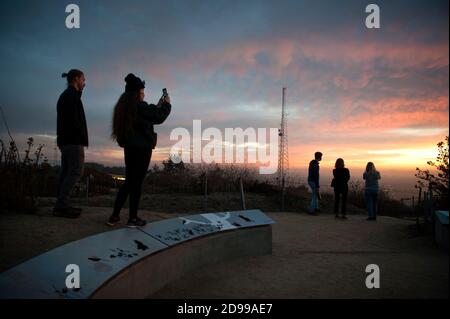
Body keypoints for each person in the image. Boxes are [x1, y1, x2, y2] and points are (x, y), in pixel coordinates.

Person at [107, 73, 171, 227]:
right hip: (142, 150)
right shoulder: (140, 106)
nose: (143, 95)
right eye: (142, 93)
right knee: (136, 184)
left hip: (130, 149)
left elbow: (148, 115)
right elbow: (159, 117)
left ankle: (114, 216)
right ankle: (133, 218)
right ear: (136, 93)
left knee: (129, 182)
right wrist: (167, 104)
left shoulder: (126, 106)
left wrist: (156, 106)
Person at [53, 69, 88, 218]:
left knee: (67, 172)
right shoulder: (70, 96)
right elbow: (73, 121)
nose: (84, 82)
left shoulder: (68, 96)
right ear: (75, 79)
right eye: (82, 79)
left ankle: (61, 204)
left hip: (66, 141)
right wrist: (80, 136)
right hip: (73, 142)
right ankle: (62, 205)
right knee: (75, 172)